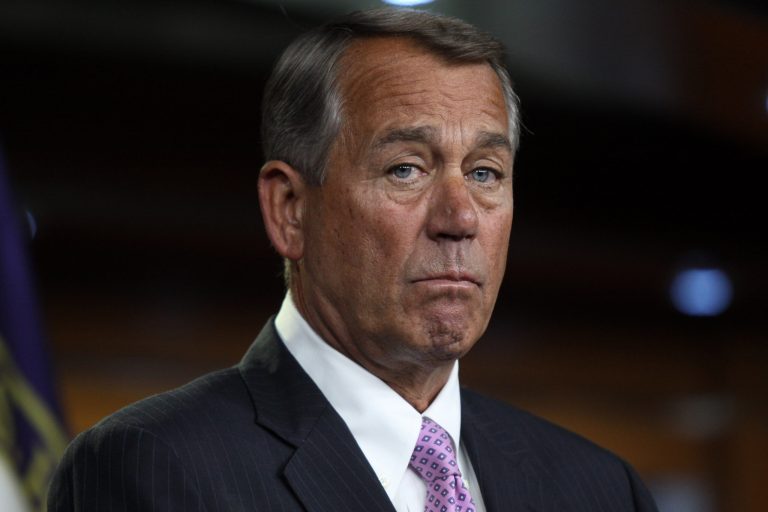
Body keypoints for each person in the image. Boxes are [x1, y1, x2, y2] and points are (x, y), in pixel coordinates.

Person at [48, 8, 658, 512]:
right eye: (406, 169)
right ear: (290, 209)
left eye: (484, 173)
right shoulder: (154, 468)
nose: (460, 218)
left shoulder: (602, 490)